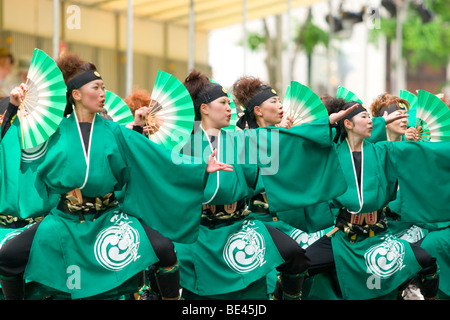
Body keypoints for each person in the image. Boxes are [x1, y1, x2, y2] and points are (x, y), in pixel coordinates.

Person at [0, 52, 231, 300]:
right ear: (76, 94)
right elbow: (15, 151)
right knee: (7, 257)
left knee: (165, 249)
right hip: (64, 219)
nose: (102, 93)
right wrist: (14, 107)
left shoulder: (116, 132)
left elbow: (154, 156)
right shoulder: (53, 131)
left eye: (104, 88)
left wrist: (197, 166)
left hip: (108, 216)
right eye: (95, 87)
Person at [174, 70, 353, 300]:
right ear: (204, 108)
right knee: (171, 265)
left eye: (230, 103)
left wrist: (325, 123)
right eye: (223, 103)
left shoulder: (239, 139)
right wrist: (201, 171)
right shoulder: (183, 145)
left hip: (240, 224)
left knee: (295, 256)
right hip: (201, 230)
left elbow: (280, 140)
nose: (229, 108)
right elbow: (167, 180)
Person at [304, 99, 442, 300]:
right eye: (364, 117)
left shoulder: (382, 151)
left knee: (427, 261)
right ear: (348, 124)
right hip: (343, 238)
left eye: (371, 117)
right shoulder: (332, 154)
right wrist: (329, 121)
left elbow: (425, 154)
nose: (371, 121)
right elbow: (303, 143)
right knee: (295, 266)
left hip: (379, 237)